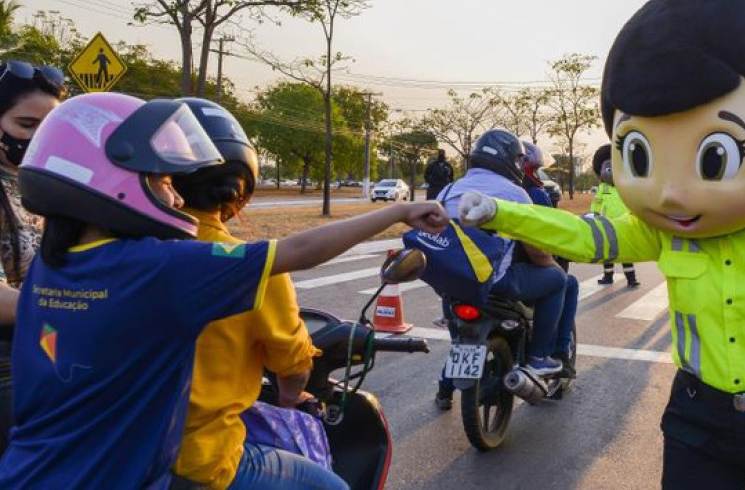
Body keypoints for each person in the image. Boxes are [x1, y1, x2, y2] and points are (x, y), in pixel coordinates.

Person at [457, 0, 745, 488]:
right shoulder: (660, 229)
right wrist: (500, 214)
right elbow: (586, 238)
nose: (674, 194)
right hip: (700, 416)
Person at [0, 92, 446, 489]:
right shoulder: (161, 268)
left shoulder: (50, 268)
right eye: (161, 180)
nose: (174, 199)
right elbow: (304, 249)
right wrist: (400, 211)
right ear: (106, 179)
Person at [166, 98, 342, 489]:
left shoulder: (113, 254)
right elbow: (294, 367)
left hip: (116, 455)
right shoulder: (249, 265)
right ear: (236, 184)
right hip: (200, 462)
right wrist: (289, 396)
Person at [435, 130, 566, 410]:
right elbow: (536, 250)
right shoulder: (515, 193)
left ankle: (445, 385)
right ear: (509, 160)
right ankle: (539, 358)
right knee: (558, 279)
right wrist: (551, 264)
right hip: (498, 283)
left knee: (461, 338)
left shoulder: (447, 190)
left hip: (455, 286)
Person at [0, 60, 66, 455]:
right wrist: (67, 305)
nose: (38, 139)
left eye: (49, 129)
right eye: (26, 126)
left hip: (43, 339)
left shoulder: (43, 187)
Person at [519, 141, 578, 372]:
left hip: (472, 276)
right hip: (518, 274)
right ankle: (557, 353)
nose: (537, 176)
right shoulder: (530, 195)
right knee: (567, 283)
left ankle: (445, 384)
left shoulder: (462, 191)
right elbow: (546, 238)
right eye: (534, 170)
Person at [589, 144, 639, 288]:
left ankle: (631, 278)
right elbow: (596, 203)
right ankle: (608, 276)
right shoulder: (603, 188)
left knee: (625, 252)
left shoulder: (625, 186)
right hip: (606, 223)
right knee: (607, 252)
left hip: (624, 224)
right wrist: (593, 214)